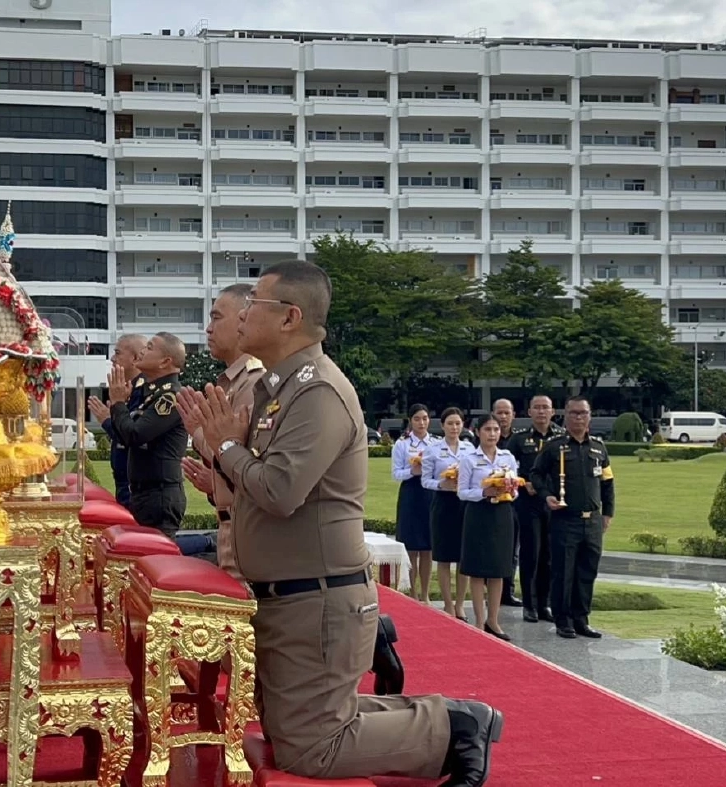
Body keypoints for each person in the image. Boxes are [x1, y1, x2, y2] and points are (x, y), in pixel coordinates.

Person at [177, 260, 501, 786]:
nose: (240, 317)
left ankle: (456, 725)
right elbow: (256, 489)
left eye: (254, 303)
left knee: (313, 750)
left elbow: (280, 491)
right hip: (289, 592)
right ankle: (452, 724)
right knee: (295, 733)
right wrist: (222, 455)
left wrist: (228, 447)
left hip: (318, 594)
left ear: (289, 318)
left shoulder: (317, 391)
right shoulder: (277, 390)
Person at [180, 284, 266, 577]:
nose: (208, 329)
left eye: (217, 318)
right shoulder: (233, 382)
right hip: (232, 524)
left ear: (244, 319)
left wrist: (198, 432)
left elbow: (239, 458)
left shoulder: (253, 383)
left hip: (246, 532)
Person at [87, 333, 188, 538]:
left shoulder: (169, 397)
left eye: (150, 348)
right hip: (144, 493)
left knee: (155, 555)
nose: (143, 352)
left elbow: (135, 435)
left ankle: (205, 543)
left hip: (159, 494)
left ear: (165, 361)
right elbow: (126, 436)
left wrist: (117, 404)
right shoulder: (152, 394)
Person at [531, 396, 615, 640]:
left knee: (587, 571)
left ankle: (582, 619)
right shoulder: (555, 446)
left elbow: (608, 483)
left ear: (590, 416)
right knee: (563, 572)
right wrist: (546, 496)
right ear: (565, 416)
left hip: (592, 521)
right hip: (565, 519)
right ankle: (563, 619)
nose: (579, 417)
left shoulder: (599, 447)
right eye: (574, 413)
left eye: (583, 413)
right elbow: (536, 474)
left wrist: (608, 513)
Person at [456, 414, 520, 642]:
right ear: (477, 432)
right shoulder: (469, 458)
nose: (492, 434)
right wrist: (484, 492)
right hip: (478, 514)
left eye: (495, 430)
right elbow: (462, 491)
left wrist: (509, 490)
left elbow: (516, 489)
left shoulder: (508, 457)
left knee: (499, 568)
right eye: (487, 430)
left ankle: (493, 620)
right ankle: (478, 621)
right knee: (478, 569)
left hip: (502, 514)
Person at [507, 395, 563, 623]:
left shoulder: (563, 438)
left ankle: (544, 604)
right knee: (531, 554)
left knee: (549, 556)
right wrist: (523, 482)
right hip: (528, 504)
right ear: (529, 412)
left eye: (545, 408)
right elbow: (507, 469)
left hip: (554, 503)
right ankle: (529, 605)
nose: (541, 412)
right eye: (537, 408)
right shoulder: (520, 440)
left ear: (553, 412)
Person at [422, 408, 474, 620]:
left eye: (458, 423)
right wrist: (442, 484)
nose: (454, 427)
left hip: (464, 504)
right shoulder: (433, 450)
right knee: (443, 557)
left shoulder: (470, 448)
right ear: (442, 426)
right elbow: (425, 480)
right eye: (450, 423)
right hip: (443, 503)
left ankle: (460, 603)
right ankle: (447, 604)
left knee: (463, 557)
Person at [391, 405, 437, 602]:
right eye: (417, 419)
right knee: (411, 547)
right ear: (411, 420)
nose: (422, 423)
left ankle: (425, 594)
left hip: (430, 494)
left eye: (425, 418)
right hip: (411, 492)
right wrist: (413, 471)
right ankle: (413, 594)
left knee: (427, 547)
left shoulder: (436, 443)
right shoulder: (402, 444)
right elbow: (396, 473)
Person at [98, 334, 147, 507]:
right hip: (125, 483)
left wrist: (107, 420)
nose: (112, 358)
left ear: (135, 358)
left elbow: (132, 435)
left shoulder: (144, 391)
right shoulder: (129, 389)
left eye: (117, 353)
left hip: (137, 487)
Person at [490, 399, 520, 608]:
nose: (502, 417)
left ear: (513, 415)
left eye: (506, 413)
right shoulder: (483, 439)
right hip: (487, 502)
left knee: (512, 549)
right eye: (499, 413)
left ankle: (507, 591)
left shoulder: (518, 442)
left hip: (512, 503)